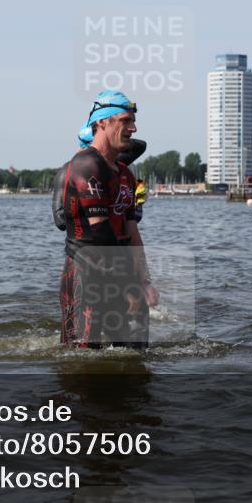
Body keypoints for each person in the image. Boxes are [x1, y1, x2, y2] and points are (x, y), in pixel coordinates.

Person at [57, 90, 158, 348]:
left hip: (122, 271)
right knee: (81, 362)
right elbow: (99, 233)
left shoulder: (125, 174)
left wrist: (144, 280)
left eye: (133, 121)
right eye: (125, 121)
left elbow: (132, 231)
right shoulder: (86, 165)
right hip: (87, 274)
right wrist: (129, 285)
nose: (133, 128)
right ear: (102, 122)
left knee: (136, 358)